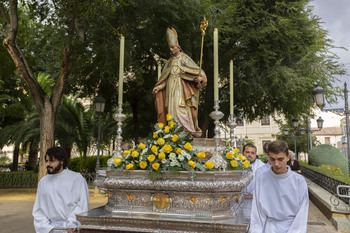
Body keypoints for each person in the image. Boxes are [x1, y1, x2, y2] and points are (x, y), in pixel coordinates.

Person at [153, 28, 207, 138]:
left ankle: (186, 130)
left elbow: (199, 72)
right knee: (171, 110)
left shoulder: (185, 59)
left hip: (181, 90)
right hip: (170, 90)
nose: (171, 50)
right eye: (170, 48)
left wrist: (200, 79)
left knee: (181, 108)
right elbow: (165, 78)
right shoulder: (169, 62)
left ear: (178, 46)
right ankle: (173, 131)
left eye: (173, 47)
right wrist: (159, 87)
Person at [249, 140, 309, 233]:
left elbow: (302, 214)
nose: (276, 164)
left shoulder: (299, 181)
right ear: (268, 158)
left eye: (280, 159)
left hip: (292, 227)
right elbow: (257, 212)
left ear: (287, 157)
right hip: (268, 228)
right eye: (272, 159)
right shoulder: (261, 179)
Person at [33, 147, 89, 233]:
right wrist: (46, 228)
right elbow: (39, 209)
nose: (48, 164)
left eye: (52, 161)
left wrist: (72, 223)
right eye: (47, 161)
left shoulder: (77, 179)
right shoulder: (43, 182)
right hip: (49, 229)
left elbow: (82, 205)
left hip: (70, 228)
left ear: (62, 161)